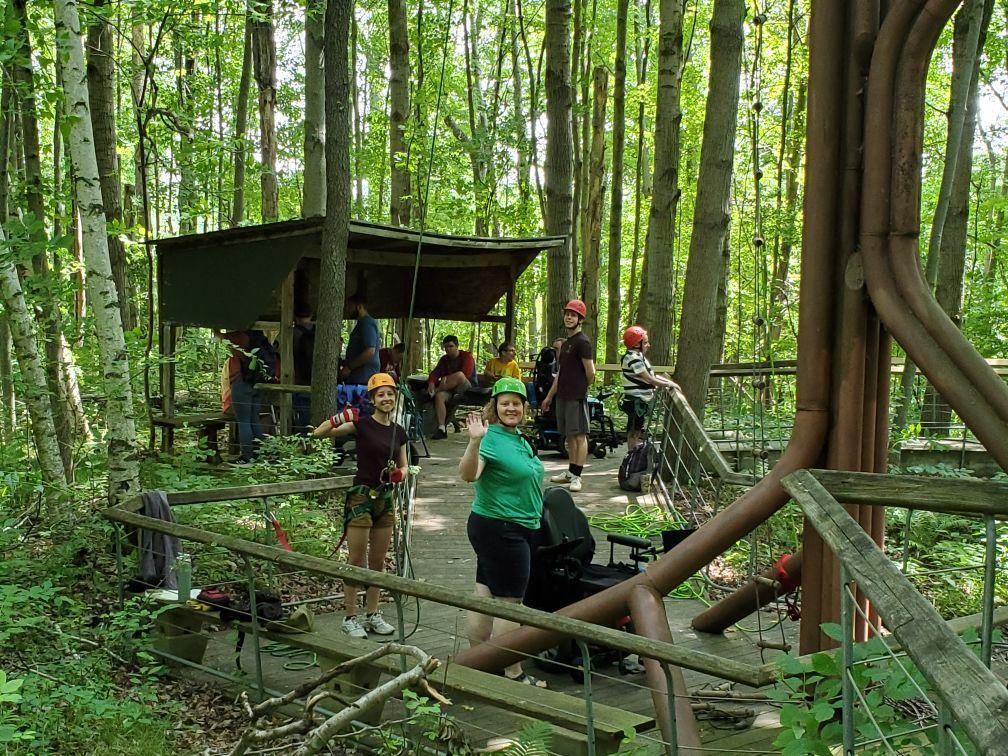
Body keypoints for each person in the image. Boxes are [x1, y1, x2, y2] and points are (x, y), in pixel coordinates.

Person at [459, 378, 546, 686]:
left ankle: (478, 664)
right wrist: (473, 442)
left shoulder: (519, 437)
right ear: (494, 406)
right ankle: (512, 673)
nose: (512, 408)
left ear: (524, 408)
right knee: (510, 605)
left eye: (517, 403)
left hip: (508, 527)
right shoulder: (490, 438)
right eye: (505, 402)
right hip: (501, 529)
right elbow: (469, 475)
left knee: (484, 594)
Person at [311, 373, 408, 638]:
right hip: (361, 497)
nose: (386, 398)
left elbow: (404, 465)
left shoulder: (399, 432)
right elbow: (320, 433)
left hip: (384, 498)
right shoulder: (362, 425)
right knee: (356, 559)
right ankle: (349, 616)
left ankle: (372, 613)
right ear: (373, 399)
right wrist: (340, 417)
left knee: (378, 561)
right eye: (380, 394)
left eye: (389, 393)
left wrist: (398, 474)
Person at [542, 300, 596, 493]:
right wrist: (549, 397)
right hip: (562, 396)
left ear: (580, 319)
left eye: (573, 315)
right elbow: (561, 373)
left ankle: (578, 476)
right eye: (567, 314)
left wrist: (581, 388)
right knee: (569, 437)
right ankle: (570, 472)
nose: (569, 317)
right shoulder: (565, 344)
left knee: (579, 436)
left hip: (576, 396)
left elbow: (591, 372)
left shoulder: (583, 342)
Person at [620, 326, 678, 450]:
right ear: (636, 344)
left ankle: (633, 454)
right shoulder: (633, 358)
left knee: (637, 429)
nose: (648, 345)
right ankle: (632, 456)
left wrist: (667, 381)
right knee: (634, 431)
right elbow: (649, 379)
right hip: (635, 401)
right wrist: (668, 385)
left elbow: (652, 375)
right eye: (645, 342)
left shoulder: (639, 357)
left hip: (640, 401)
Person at [222, 329, 276, 462]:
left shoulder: (240, 337)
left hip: (242, 383)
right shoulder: (257, 338)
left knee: (244, 422)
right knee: (254, 420)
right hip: (256, 383)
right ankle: (261, 453)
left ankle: (247, 456)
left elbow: (221, 336)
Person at [426, 334, 476, 439]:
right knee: (439, 396)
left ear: (457, 346)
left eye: (450, 346)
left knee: (459, 375)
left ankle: (436, 391)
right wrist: (431, 382)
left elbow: (465, 374)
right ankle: (441, 428)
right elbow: (435, 373)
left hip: (466, 388)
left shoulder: (467, 357)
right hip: (449, 389)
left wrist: (445, 380)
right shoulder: (444, 359)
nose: (448, 349)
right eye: (446, 347)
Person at [340, 295, 381, 386]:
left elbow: (370, 351)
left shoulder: (366, 324)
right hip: (360, 377)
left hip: (363, 379)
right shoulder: (362, 324)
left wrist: (349, 367)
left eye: (349, 306)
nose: (347, 309)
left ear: (359, 307)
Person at [292, 305, 315, 433]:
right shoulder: (320, 331)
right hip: (318, 380)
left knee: (302, 418)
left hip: (299, 380)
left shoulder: (292, 334)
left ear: (295, 316)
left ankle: (302, 446)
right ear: (311, 315)